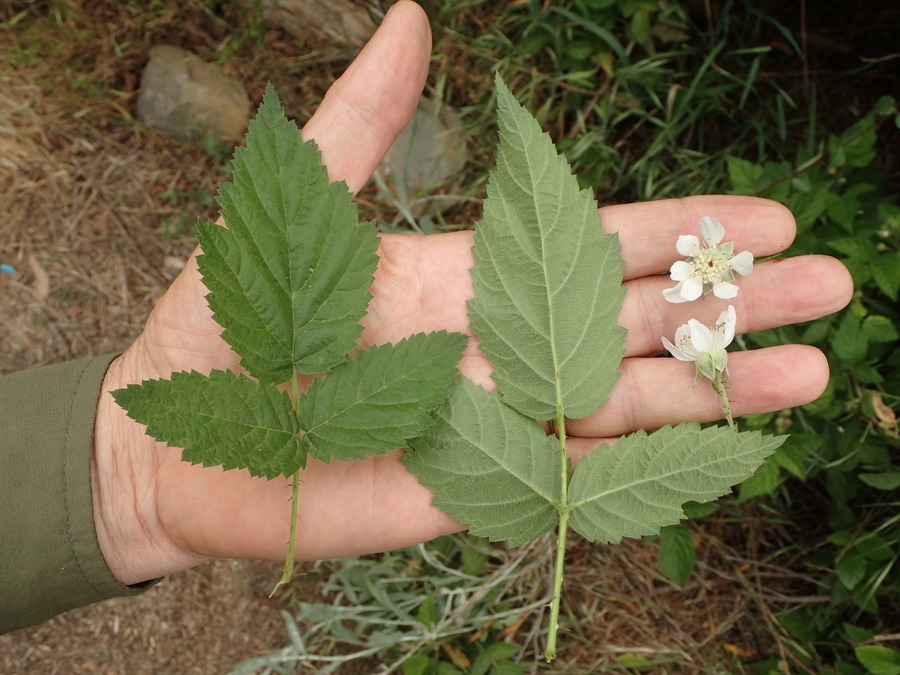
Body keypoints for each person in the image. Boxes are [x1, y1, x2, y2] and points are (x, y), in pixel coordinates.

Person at [0, 0, 853, 635]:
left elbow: (424, 388)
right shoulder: (327, 400)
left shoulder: (367, 402)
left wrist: (114, 472)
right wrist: (117, 472)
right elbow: (420, 386)